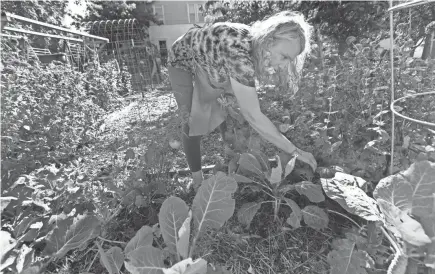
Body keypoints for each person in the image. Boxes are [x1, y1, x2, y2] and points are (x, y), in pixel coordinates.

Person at [167, 11, 317, 189]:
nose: (284, 65)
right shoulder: (238, 54)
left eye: (289, 60)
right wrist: (295, 151)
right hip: (182, 61)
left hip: (212, 62)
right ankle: (197, 180)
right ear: (269, 40)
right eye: (284, 56)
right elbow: (253, 115)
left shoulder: (255, 45)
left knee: (229, 109)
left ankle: (231, 163)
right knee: (192, 122)